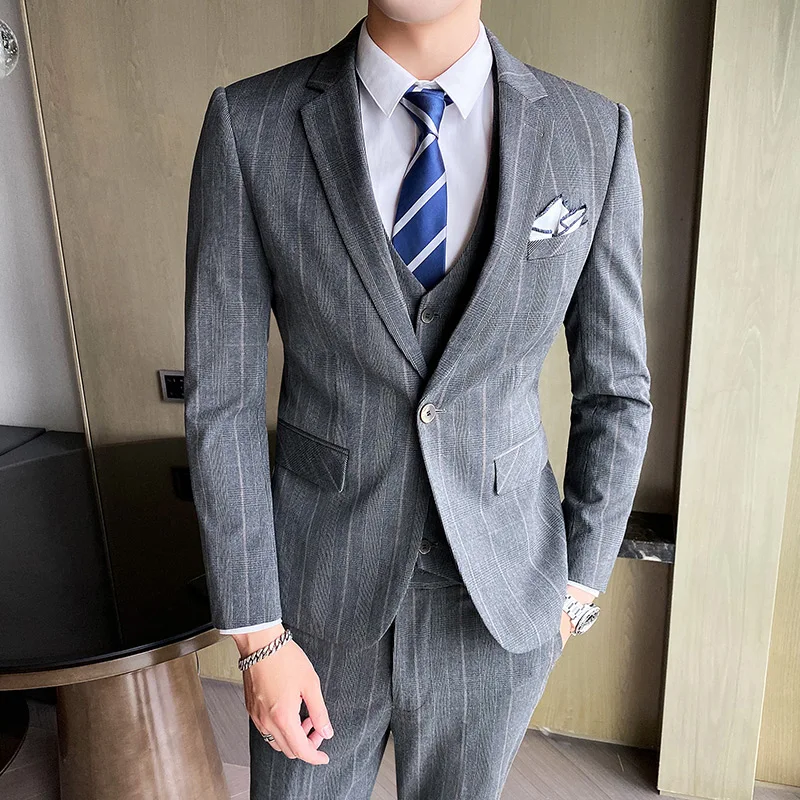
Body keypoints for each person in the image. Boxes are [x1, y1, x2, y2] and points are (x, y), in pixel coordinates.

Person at [184, 1, 652, 797]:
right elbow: (221, 398)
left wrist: (577, 589)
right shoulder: (251, 124)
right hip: (315, 595)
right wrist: (258, 632)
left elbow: (617, 388)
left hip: (500, 592)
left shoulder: (590, 131)